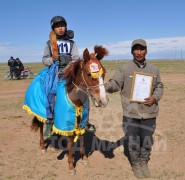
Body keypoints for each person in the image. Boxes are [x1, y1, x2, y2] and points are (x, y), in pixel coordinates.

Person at [105, 39, 163, 179]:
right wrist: (105, 86)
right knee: (133, 140)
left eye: (141, 49)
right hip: (131, 113)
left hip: (149, 112)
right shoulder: (124, 69)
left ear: (146, 51)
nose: (139, 52)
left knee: (147, 139)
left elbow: (159, 86)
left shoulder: (154, 70)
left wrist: (154, 98)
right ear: (132, 52)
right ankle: (136, 164)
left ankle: (144, 162)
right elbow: (115, 83)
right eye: (136, 49)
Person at [42, 15, 95, 139]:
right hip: (55, 71)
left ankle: (85, 121)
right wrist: (52, 60)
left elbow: (76, 58)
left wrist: (69, 67)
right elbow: (44, 59)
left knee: (84, 92)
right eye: (57, 26)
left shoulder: (71, 43)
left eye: (62, 26)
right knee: (50, 91)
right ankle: (50, 121)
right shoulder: (49, 43)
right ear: (53, 29)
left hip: (70, 70)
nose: (60, 28)